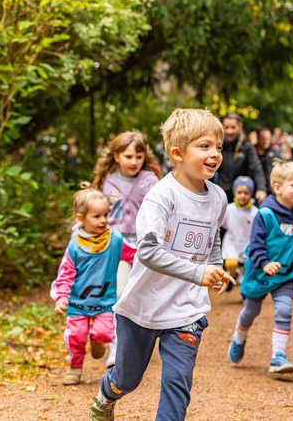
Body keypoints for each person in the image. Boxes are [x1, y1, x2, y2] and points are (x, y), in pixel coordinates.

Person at [88, 108, 236, 421]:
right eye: (205, 146)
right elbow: (148, 252)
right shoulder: (161, 196)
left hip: (187, 309)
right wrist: (198, 272)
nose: (215, 154)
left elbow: (213, 236)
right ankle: (106, 395)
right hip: (143, 306)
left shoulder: (219, 197)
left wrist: (215, 266)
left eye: (219, 147)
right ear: (177, 154)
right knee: (127, 379)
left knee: (177, 380)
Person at [228, 160, 293, 374]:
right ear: (277, 188)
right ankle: (239, 337)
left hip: (284, 275)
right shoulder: (265, 214)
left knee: (284, 310)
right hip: (259, 272)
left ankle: (278, 357)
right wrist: (265, 263)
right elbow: (256, 245)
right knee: (251, 311)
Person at [50, 185, 134, 385]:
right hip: (77, 303)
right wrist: (62, 297)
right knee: (76, 336)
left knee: (104, 332)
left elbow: (135, 255)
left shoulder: (115, 240)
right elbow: (66, 274)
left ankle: (97, 340)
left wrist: (153, 262)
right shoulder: (75, 245)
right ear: (81, 218)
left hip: (104, 302)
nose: (103, 220)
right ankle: (75, 366)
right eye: (96, 216)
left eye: (105, 215)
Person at [90, 130, 160, 367]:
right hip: (117, 244)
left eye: (139, 157)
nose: (134, 162)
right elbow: (95, 210)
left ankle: (136, 344)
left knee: (141, 298)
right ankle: (115, 348)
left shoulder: (151, 181)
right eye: (128, 156)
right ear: (117, 156)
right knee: (119, 293)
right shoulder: (108, 181)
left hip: (145, 246)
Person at [217, 112, 267, 203]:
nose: (229, 131)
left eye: (233, 127)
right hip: (221, 194)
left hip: (241, 196)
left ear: (240, 127)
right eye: (226, 127)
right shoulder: (218, 145)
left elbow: (257, 168)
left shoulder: (246, 146)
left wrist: (261, 189)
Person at [221, 176, 259, 287]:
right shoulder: (229, 209)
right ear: (234, 193)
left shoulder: (255, 212)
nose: (242, 196)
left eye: (246, 193)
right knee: (231, 264)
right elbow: (220, 224)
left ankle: (244, 287)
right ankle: (233, 275)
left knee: (248, 268)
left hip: (248, 242)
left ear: (251, 194)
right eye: (239, 192)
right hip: (232, 242)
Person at [255, 126, 281, 195]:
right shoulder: (252, 152)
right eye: (263, 139)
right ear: (258, 138)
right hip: (256, 190)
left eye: (268, 139)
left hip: (271, 189)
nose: (266, 141)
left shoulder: (275, 152)